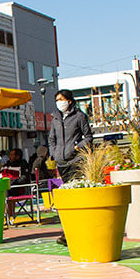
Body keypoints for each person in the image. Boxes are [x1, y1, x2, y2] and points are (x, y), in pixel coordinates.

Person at [48, 89, 93, 245]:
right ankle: (68, 231)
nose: (59, 102)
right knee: (67, 197)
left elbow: (88, 137)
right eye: (57, 100)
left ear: (70, 100)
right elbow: (51, 139)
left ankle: (72, 233)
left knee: (75, 196)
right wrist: (54, 154)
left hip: (75, 161)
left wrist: (76, 148)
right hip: (61, 162)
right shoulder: (55, 119)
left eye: (62, 99)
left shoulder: (79, 116)